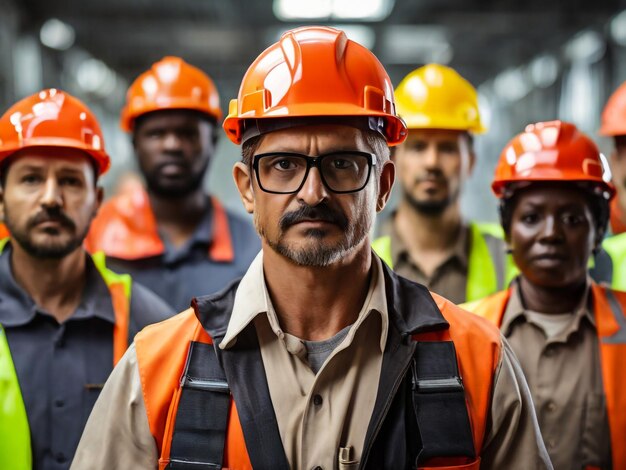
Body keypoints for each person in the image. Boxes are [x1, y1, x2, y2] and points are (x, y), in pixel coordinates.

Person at [72, 26, 551, 470]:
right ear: (245, 187)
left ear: (383, 184)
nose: (312, 192)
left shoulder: (478, 361)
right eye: (283, 164)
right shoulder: (157, 372)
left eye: (342, 163)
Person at [0, 89, 174, 470]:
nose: (51, 198)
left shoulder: (148, 324)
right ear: (1, 199)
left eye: (70, 181)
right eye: (30, 179)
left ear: (97, 200)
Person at [463, 120, 626, 469]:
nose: (550, 234)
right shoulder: (466, 331)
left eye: (571, 219)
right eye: (532, 217)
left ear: (598, 232)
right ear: (508, 232)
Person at [85, 57, 260, 311]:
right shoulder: (94, 236)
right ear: (134, 143)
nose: (172, 145)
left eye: (187, 133)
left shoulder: (252, 248)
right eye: (156, 133)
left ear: (212, 141)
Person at [373, 64, 512, 304]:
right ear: (393, 160)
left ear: (471, 161)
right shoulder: (361, 254)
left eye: (447, 148)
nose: (432, 162)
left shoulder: (509, 256)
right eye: (418, 147)